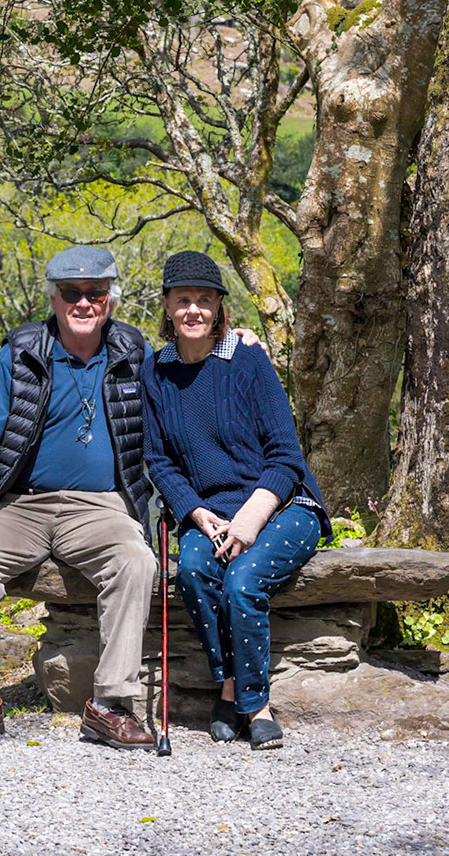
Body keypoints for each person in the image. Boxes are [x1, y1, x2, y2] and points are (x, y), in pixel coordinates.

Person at [0, 245, 158, 749]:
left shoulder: (132, 351)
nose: (84, 303)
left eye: (95, 293)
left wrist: (232, 339)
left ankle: (109, 705)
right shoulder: (20, 355)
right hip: (22, 504)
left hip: (101, 506)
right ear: (53, 299)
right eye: (71, 294)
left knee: (135, 563)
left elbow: (187, 367)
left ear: (110, 299)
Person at [141, 250, 329, 750]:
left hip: (282, 505)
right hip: (211, 514)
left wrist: (247, 523)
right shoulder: (155, 373)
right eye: (183, 300)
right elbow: (158, 461)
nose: (194, 310)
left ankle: (251, 704)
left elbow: (287, 457)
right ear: (166, 306)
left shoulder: (247, 360)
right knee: (194, 573)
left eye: (205, 300)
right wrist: (196, 512)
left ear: (220, 306)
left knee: (244, 581)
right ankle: (230, 686)